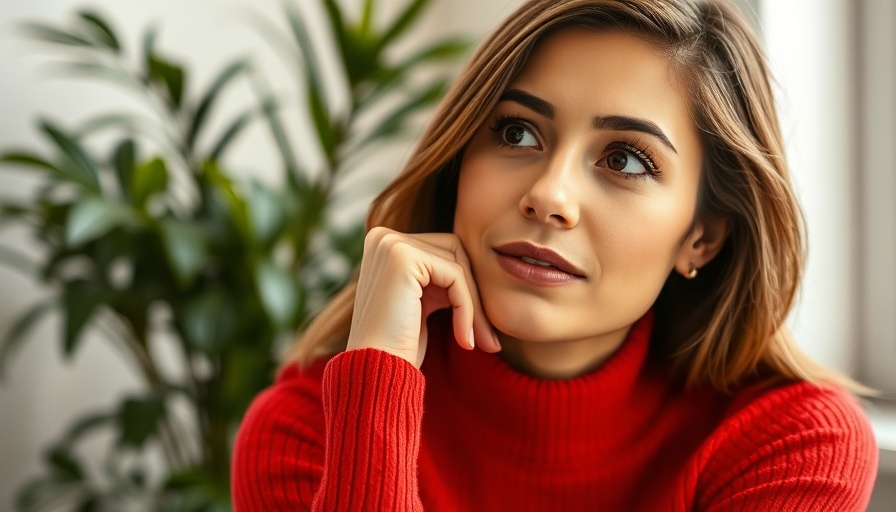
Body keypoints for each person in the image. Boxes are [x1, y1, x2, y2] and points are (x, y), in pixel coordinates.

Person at [231, 0, 879, 510]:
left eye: (625, 159)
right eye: (517, 132)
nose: (548, 195)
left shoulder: (793, 446)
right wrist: (376, 385)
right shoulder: (305, 433)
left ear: (701, 237)